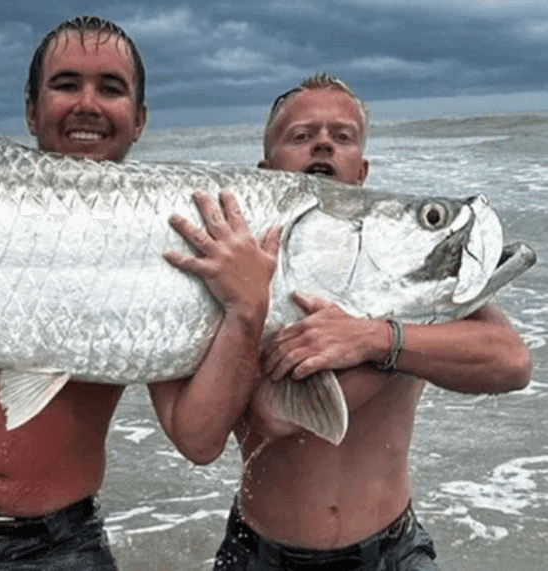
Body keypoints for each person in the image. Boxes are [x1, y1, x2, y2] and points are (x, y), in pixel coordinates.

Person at [0, 15, 279, 570]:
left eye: (110, 88)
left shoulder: (178, 232)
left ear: (139, 119)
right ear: (30, 110)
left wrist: (247, 308)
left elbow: (199, 437)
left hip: (66, 546)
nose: (87, 103)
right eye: (66, 84)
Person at [211, 72, 533, 571]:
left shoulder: (401, 273)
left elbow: (511, 361)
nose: (323, 143)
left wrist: (376, 338)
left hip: (393, 550)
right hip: (260, 552)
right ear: (265, 168)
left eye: (342, 137)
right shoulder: (234, 270)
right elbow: (271, 418)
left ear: (361, 171)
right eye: (301, 136)